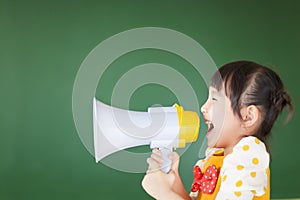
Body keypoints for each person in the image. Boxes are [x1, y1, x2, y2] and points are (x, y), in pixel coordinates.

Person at [142, 61, 294, 199]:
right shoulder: (216, 158)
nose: (203, 108)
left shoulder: (248, 155)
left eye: (214, 99)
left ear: (248, 116)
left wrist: (165, 195)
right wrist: (174, 184)